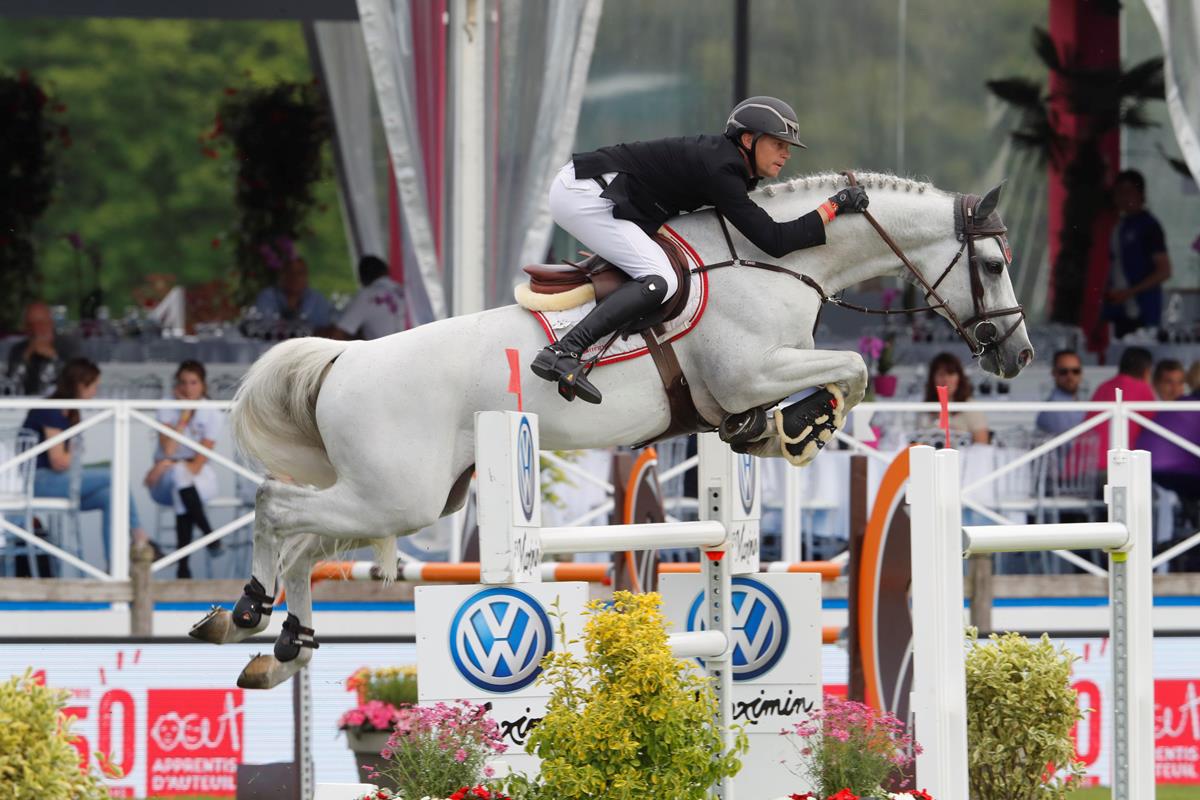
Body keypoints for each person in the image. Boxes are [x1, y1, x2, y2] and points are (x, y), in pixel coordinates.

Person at [530, 96, 870, 405]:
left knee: (667, 273)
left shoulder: (726, 165)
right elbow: (775, 241)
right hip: (584, 195)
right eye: (779, 143)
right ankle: (562, 351)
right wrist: (833, 207)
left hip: (600, 191)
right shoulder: (721, 168)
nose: (787, 153)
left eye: (788, 146)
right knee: (661, 278)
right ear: (749, 140)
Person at [21, 358, 145, 571]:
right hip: (40, 481)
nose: (95, 392)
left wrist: (76, 457)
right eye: (94, 385)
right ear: (80, 384)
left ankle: (114, 567)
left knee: (112, 495)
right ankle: (139, 535)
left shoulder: (69, 411)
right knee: (115, 474)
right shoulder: (52, 409)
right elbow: (58, 460)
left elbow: (65, 459)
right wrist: (76, 455)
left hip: (57, 481)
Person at [142, 361, 223, 579]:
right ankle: (210, 536)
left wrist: (172, 463)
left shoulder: (213, 413)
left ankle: (183, 567)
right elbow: (168, 449)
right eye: (183, 383)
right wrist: (184, 416)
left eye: (194, 383)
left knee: (182, 481)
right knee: (180, 479)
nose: (188, 389)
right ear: (177, 385)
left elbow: (197, 465)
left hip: (198, 476)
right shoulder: (167, 406)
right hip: (164, 480)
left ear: (203, 385)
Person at [1104, 170, 1172, 339]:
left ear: (1141, 194)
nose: (1123, 197)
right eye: (1119, 192)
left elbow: (1164, 271)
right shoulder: (1116, 225)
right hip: (1116, 309)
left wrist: (1130, 292)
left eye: (1128, 191)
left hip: (1142, 309)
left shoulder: (1149, 226)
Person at [1086, 346, 1156, 462]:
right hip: (1114, 463)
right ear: (1147, 371)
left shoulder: (1103, 386)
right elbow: (1155, 430)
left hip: (1083, 463)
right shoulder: (1142, 389)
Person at [5, 301, 78, 396]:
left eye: (40, 323)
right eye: (30, 324)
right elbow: (9, 388)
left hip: (59, 406)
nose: (36, 328)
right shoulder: (18, 349)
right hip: (24, 405)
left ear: (50, 323)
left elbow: (77, 382)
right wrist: (25, 357)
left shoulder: (68, 346)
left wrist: (54, 357)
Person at [332, 255, 405, 340]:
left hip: (389, 350)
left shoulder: (366, 296)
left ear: (362, 280)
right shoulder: (405, 290)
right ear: (386, 271)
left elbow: (339, 334)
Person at [922, 352, 989, 444]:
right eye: (941, 374)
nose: (946, 379)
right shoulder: (925, 407)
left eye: (951, 374)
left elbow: (982, 443)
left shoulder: (971, 406)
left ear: (959, 378)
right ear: (932, 379)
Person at [254, 258, 333, 331]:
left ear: (306, 276)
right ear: (282, 275)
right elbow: (263, 325)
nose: (295, 277)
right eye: (290, 272)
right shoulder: (268, 296)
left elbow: (324, 328)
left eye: (299, 273)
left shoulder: (318, 299)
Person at [1035, 349, 1086, 436]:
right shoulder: (1053, 409)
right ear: (1054, 373)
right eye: (1064, 372)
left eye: (1075, 371)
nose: (1070, 376)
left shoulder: (1078, 401)